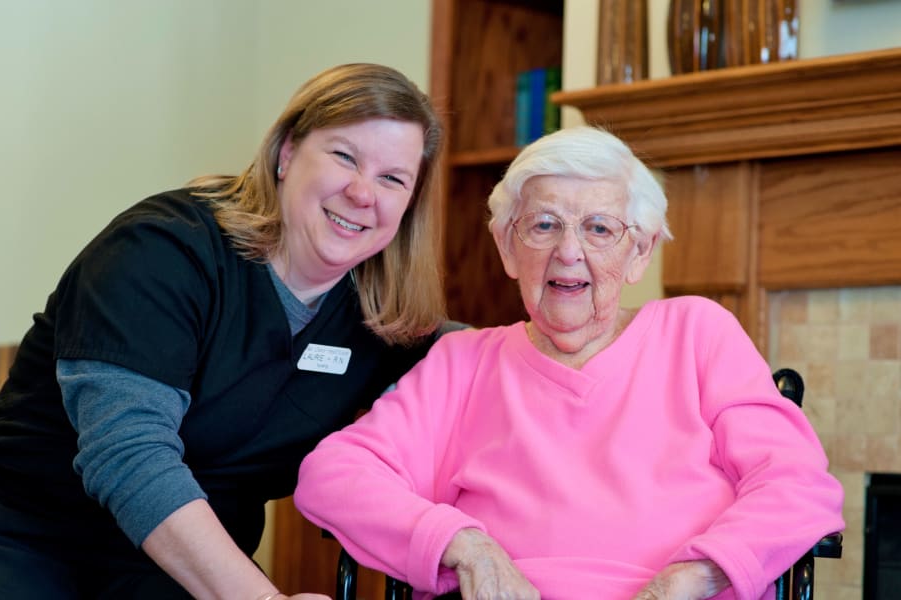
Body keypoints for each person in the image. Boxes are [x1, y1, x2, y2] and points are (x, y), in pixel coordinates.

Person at [0, 63, 447, 600]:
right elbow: (129, 454)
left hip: (168, 576)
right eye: (344, 156)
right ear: (286, 155)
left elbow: (484, 362)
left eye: (392, 179)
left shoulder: (377, 320)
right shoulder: (163, 249)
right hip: (7, 534)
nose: (362, 192)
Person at [293, 125, 845, 600]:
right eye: (544, 225)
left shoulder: (697, 333)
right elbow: (333, 475)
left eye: (599, 228)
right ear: (507, 247)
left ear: (641, 251)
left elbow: (797, 482)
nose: (569, 251)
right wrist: (465, 546)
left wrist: (692, 576)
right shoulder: (463, 363)